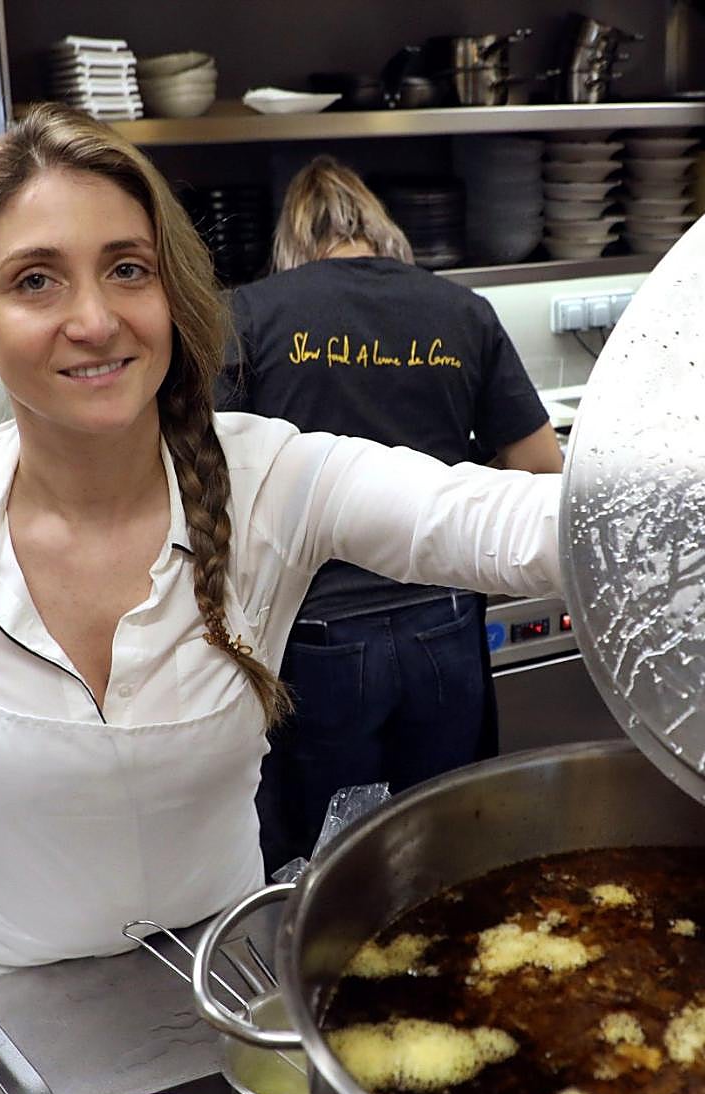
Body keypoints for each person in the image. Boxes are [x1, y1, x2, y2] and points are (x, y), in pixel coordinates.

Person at [0, 104, 561, 974]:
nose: (95, 319)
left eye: (127, 269)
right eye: (35, 280)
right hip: (20, 1050)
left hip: (228, 1002)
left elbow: (507, 520)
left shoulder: (270, 478)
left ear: (171, 293)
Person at [216, 156, 562, 872]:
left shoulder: (250, 313)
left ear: (293, 241)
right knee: (449, 843)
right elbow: (539, 470)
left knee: (325, 868)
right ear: (382, 229)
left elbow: (209, 483)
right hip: (443, 625)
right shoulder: (461, 310)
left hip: (314, 639)